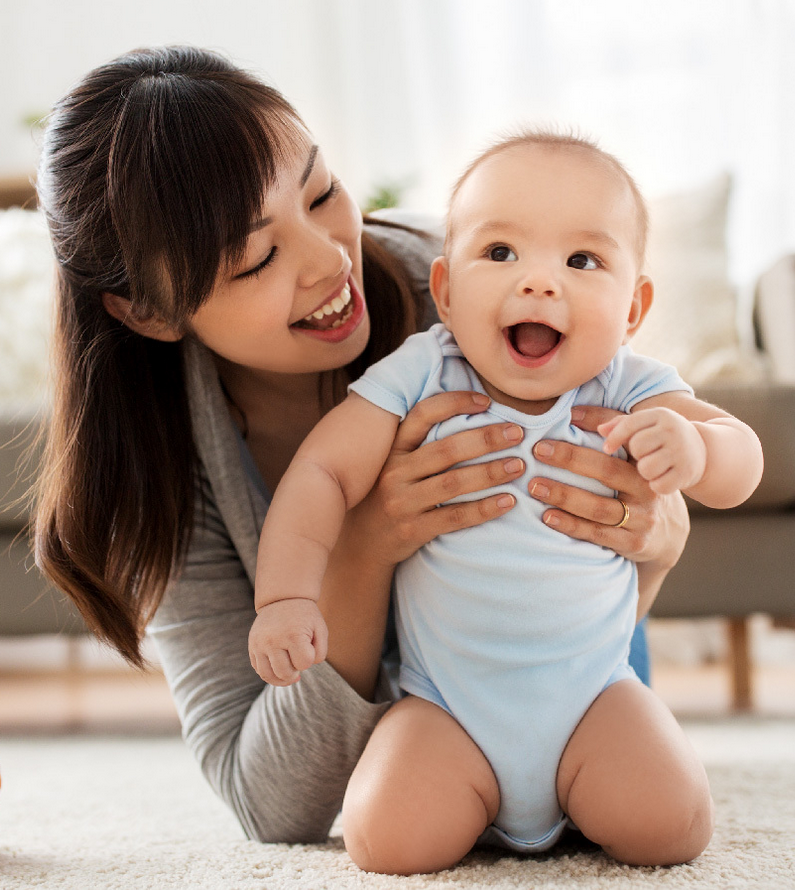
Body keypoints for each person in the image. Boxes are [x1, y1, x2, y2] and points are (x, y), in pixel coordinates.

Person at [29, 45, 693, 857]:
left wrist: (657, 544)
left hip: (583, 681)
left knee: (651, 808)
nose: (329, 259)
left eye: (322, 192)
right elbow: (269, 801)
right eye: (258, 257)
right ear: (147, 312)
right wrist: (362, 549)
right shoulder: (160, 468)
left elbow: (611, 540)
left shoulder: (477, 302)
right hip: (428, 747)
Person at [248, 131, 762, 872]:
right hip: (446, 708)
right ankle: (477, 798)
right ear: (447, 293)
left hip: (594, 697)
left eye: (583, 261)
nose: (540, 283)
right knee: (385, 841)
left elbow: (741, 458)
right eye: (500, 254)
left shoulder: (628, 384)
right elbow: (322, 474)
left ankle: (580, 791)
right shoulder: (423, 371)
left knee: (672, 827)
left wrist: (700, 448)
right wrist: (286, 598)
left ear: (634, 307)